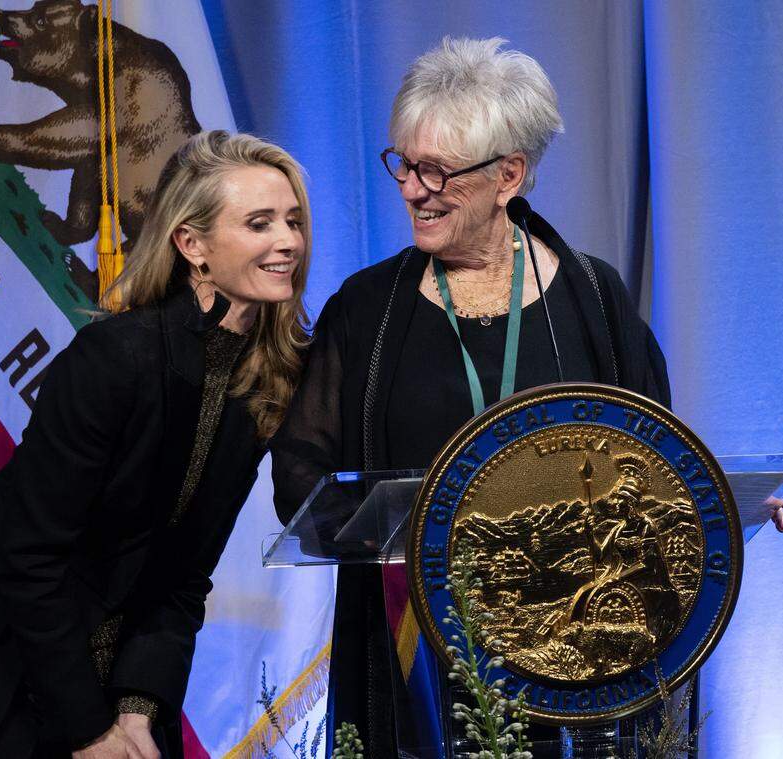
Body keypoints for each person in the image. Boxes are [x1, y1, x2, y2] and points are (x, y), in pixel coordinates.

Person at [270, 37, 673, 755]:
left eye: (437, 170)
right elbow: (299, 476)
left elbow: (657, 455)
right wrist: (400, 530)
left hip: (572, 660)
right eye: (403, 162)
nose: (412, 188)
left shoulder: (594, 299)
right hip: (416, 655)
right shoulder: (366, 310)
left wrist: (728, 504)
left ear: (509, 175)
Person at [0, 130, 312, 759]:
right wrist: (89, 729)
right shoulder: (115, 357)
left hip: (114, 681)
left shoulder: (266, 379)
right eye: (259, 223)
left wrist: (138, 711)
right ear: (191, 245)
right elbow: (31, 560)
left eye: (293, 221)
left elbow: (184, 577)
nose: (288, 242)